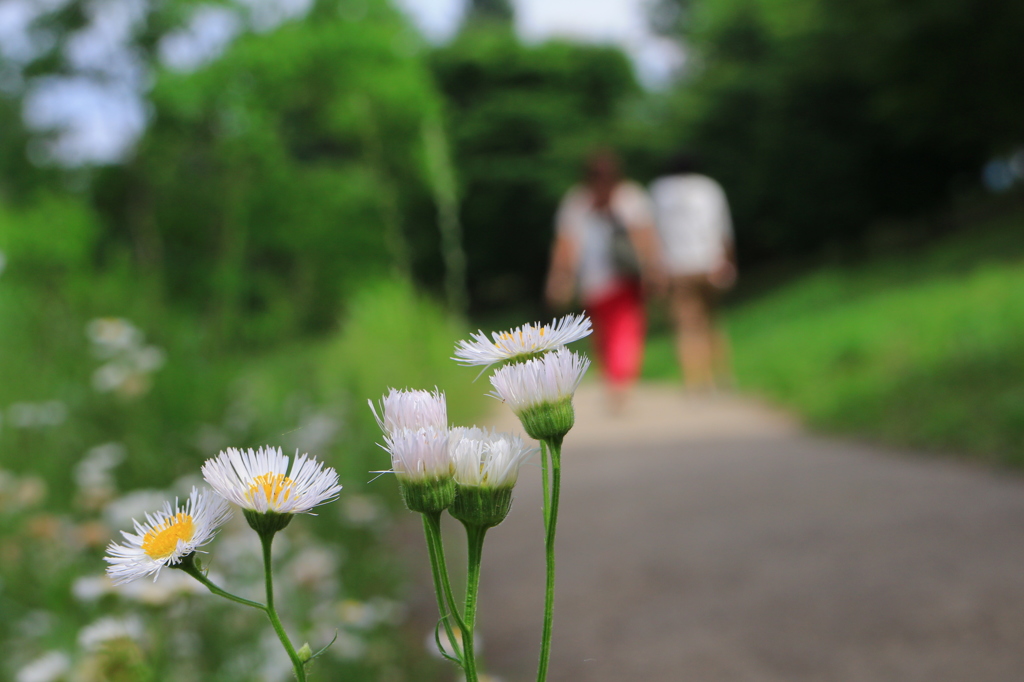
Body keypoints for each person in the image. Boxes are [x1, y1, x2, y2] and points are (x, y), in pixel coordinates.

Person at [545, 150, 665, 412]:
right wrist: (561, 277)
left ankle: (619, 383)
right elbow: (566, 245)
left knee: (624, 330)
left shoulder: (623, 198)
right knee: (606, 334)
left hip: (623, 280)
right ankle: (616, 381)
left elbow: (645, 236)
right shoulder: (582, 202)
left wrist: (653, 269)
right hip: (595, 283)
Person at [650, 153, 736, 390]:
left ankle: (695, 382)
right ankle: (723, 375)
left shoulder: (659, 191)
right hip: (710, 263)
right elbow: (724, 230)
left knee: (686, 327)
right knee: (713, 320)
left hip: (677, 266)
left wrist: (656, 270)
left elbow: (653, 234)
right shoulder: (709, 188)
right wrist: (729, 262)